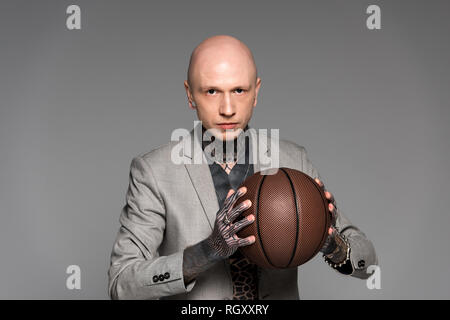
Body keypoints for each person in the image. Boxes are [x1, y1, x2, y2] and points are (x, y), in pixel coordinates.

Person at [108, 35, 377, 300]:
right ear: (190, 95)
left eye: (239, 90)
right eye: (212, 91)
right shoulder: (155, 171)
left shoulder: (293, 162)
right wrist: (207, 250)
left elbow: (368, 264)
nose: (228, 108)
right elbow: (122, 285)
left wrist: (332, 244)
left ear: (256, 92)